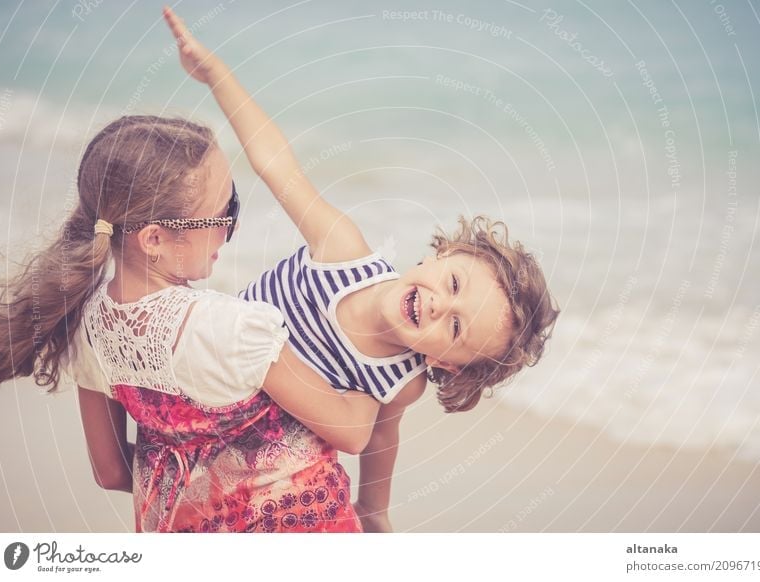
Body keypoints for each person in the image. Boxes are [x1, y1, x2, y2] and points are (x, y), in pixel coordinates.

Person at [163, 5, 560, 532]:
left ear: (451, 366)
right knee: (347, 427)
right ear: (440, 255)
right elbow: (276, 163)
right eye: (455, 283)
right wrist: (217, 75)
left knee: (352, 429)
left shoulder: (402, 381)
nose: (441, 304)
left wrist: (375, 510)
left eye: (457, 328)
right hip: (204, 376)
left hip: (250, 454)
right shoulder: (343, 252)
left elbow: (379, 439)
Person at [0, 113, 382, 532]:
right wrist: (377, 338)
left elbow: (111, 472)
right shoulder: (230, 330)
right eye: (223, 214)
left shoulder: (88, 327)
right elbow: (352, 431)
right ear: (153, 239)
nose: (234, 225)